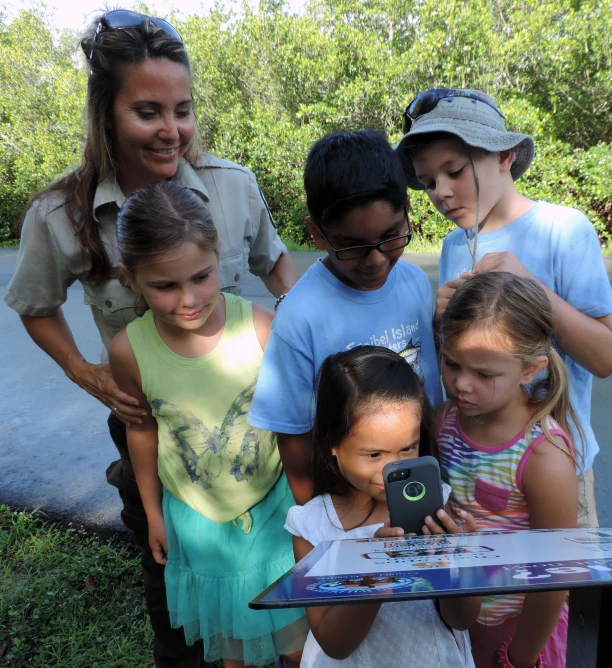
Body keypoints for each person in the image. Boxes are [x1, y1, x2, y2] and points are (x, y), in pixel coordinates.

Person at [3, 11, 297, 667]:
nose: (171, 130)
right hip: (153, 423)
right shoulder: (61, 214)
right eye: (147, 111)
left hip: (252, 426)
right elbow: (34, 305)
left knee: (278, 574)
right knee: (173, 585)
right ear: (106, 114)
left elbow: (277, 269)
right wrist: (85, 371)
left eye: (182, 109)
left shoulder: (232, 188)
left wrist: (301, 332)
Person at [108, 181, 308, 667]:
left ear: (220, 256)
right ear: (130, 279)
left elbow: (294, 425)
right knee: (228, 637)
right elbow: (143, 430)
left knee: (298, 632)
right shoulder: (128, 351)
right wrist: (154, 514)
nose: (188, 299)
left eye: (201, 276)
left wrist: (310, 502)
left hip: (273, 512)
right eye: (164, 285)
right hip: (198, 522)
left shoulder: (260, 327)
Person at [395, 87, 612, 529]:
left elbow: (604, 357)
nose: (441, 193)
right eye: (428, 182)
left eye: (455, 171)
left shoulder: (563, 230)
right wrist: (443, 321)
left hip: (554, 467)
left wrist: (530, 284)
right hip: (469, 465)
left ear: (505, 155)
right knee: (477, 590)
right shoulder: (457, 244)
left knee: (551, 586)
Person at [248, 130, 442, 505]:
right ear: (316, 233)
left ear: (406, 209)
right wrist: (319, 523)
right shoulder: (298, 318)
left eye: (391, 236)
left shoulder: (416, 282)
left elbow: (431, 393)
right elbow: (293, 435)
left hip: (423, 484)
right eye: (351, 246)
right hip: (350, 505)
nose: (376, 259)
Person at [285, 345, 481, 666]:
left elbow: (462, 619)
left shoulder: (439, 505)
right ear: (333, 443)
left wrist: (462, 565)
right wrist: (377, 571)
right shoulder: (313, 526)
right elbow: (334, 643)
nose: (392, 468)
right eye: (374, 454)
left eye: (408, 448)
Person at [437, 272, 579, 667]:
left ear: (530, 370)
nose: (461, 384)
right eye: (451, 363)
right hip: (455, 620)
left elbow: (555, 575)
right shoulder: (445, 421)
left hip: (518, 633)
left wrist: (520, 656)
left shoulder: (542, 457)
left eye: (484, 374)